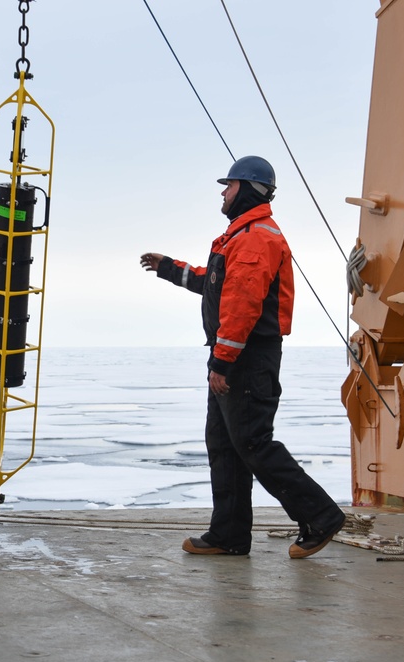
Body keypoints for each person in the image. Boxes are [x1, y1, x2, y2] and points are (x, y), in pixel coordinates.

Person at [140, 155, 346, 560]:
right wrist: (169, 268)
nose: (223, 191)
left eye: (229, 185)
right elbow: (215, 284)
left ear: (248, 189)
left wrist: (222, 362)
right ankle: (229, 534)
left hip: (247, 359)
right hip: (237, 356)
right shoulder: (238, 237)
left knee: (253, 442)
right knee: (225, 444)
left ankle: (320, 515)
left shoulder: (255, 238)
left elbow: (243, 305)